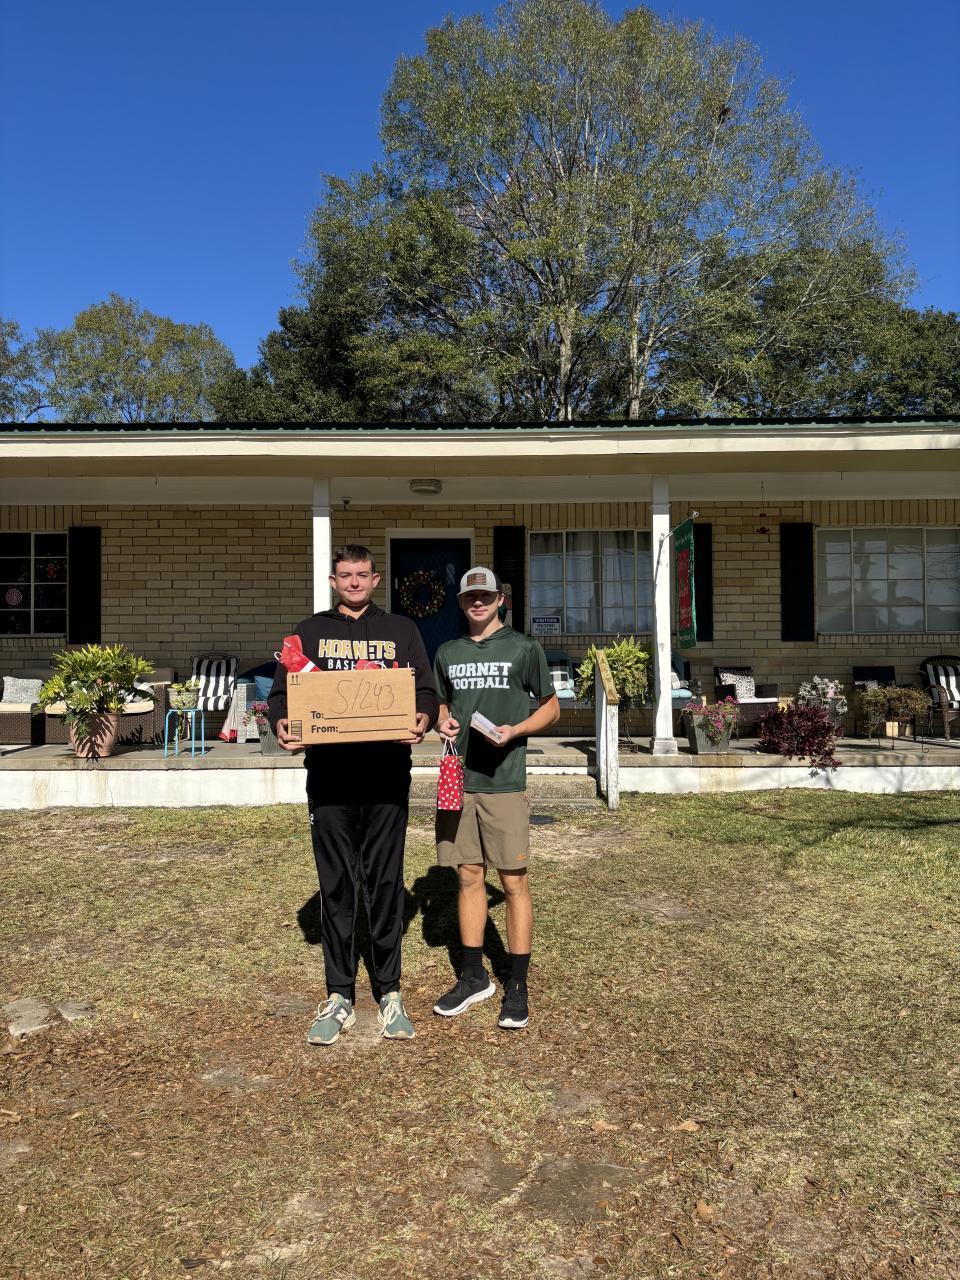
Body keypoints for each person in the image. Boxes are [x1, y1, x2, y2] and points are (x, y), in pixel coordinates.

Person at [268, 544, 439, 1045]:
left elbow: (425, 691)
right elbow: (281, 694)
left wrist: (423, 717)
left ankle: (389, 991)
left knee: (385, 883)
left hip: (386, 777)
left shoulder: (402, 630)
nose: (355, 583)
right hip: (330, 779)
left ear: (375, 578)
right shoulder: (308, 631)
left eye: (362, 575)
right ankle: (339, 993)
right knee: (337, 885)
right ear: (333, 580)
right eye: (346, 575)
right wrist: (282, 722)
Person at [432, 566, 559, 1030]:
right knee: (468, 876)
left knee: (513, 882)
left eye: (486, 596)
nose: (478, 603)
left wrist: (517, 730)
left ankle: (517, 984)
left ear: (501, 599)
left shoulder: (524, 648)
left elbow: (551, 707)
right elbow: (441, 702)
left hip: (504, 780)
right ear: (461, 603)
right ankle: (473, 977)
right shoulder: (447, 652)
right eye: (470, 597)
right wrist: (441, 720)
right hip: (459, 778)